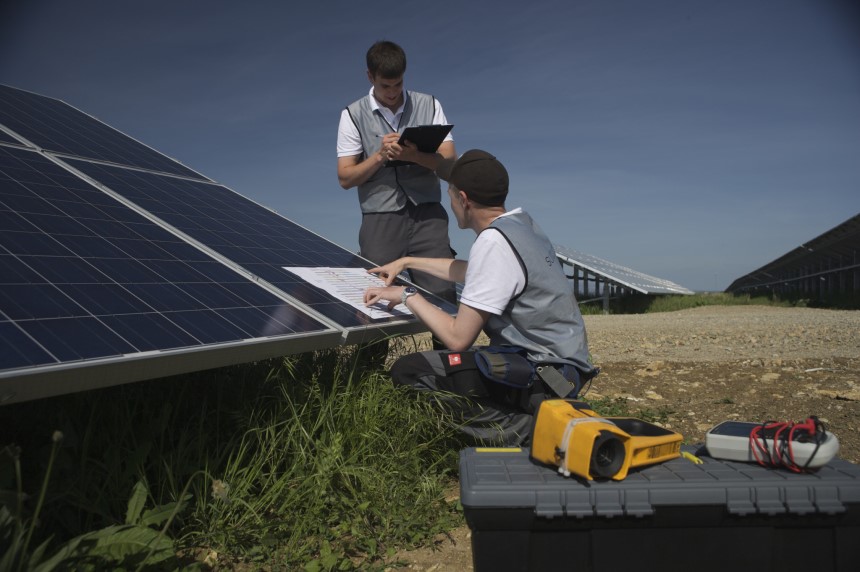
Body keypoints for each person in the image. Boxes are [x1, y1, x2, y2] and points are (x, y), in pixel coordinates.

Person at [363, 150, 597, 446]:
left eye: (450, 196)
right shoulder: (520, 226)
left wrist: (407, 294)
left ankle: (528, 430)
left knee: (410, 371)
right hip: (563, 371)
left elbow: (458, 338)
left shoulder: (492, 242)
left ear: (463, 199)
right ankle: (535, 416)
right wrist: (407, 262)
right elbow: (476, 272)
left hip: (544, 377)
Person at [337, 40, 458, 307]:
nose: (392, 93)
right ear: (370, 76)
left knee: (442, 294)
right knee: (374, 297)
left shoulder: (430, 104)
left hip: (429, 216)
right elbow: (345, 178)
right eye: (385, 86)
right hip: (379, 219)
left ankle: (447, 350)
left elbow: (450, 162)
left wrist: (413, 156)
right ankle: (370, 351)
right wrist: (380, 156)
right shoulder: (352, 115)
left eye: (398, 84)